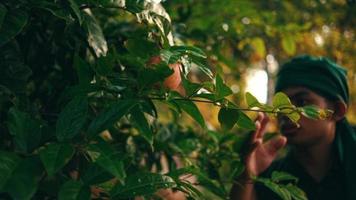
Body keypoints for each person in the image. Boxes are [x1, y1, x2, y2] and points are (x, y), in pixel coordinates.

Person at [230, 55, 356, 200]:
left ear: (337, 111)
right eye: (281, 104)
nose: (286, 113)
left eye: (301, 101)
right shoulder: (272, 178)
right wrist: (246, 175)